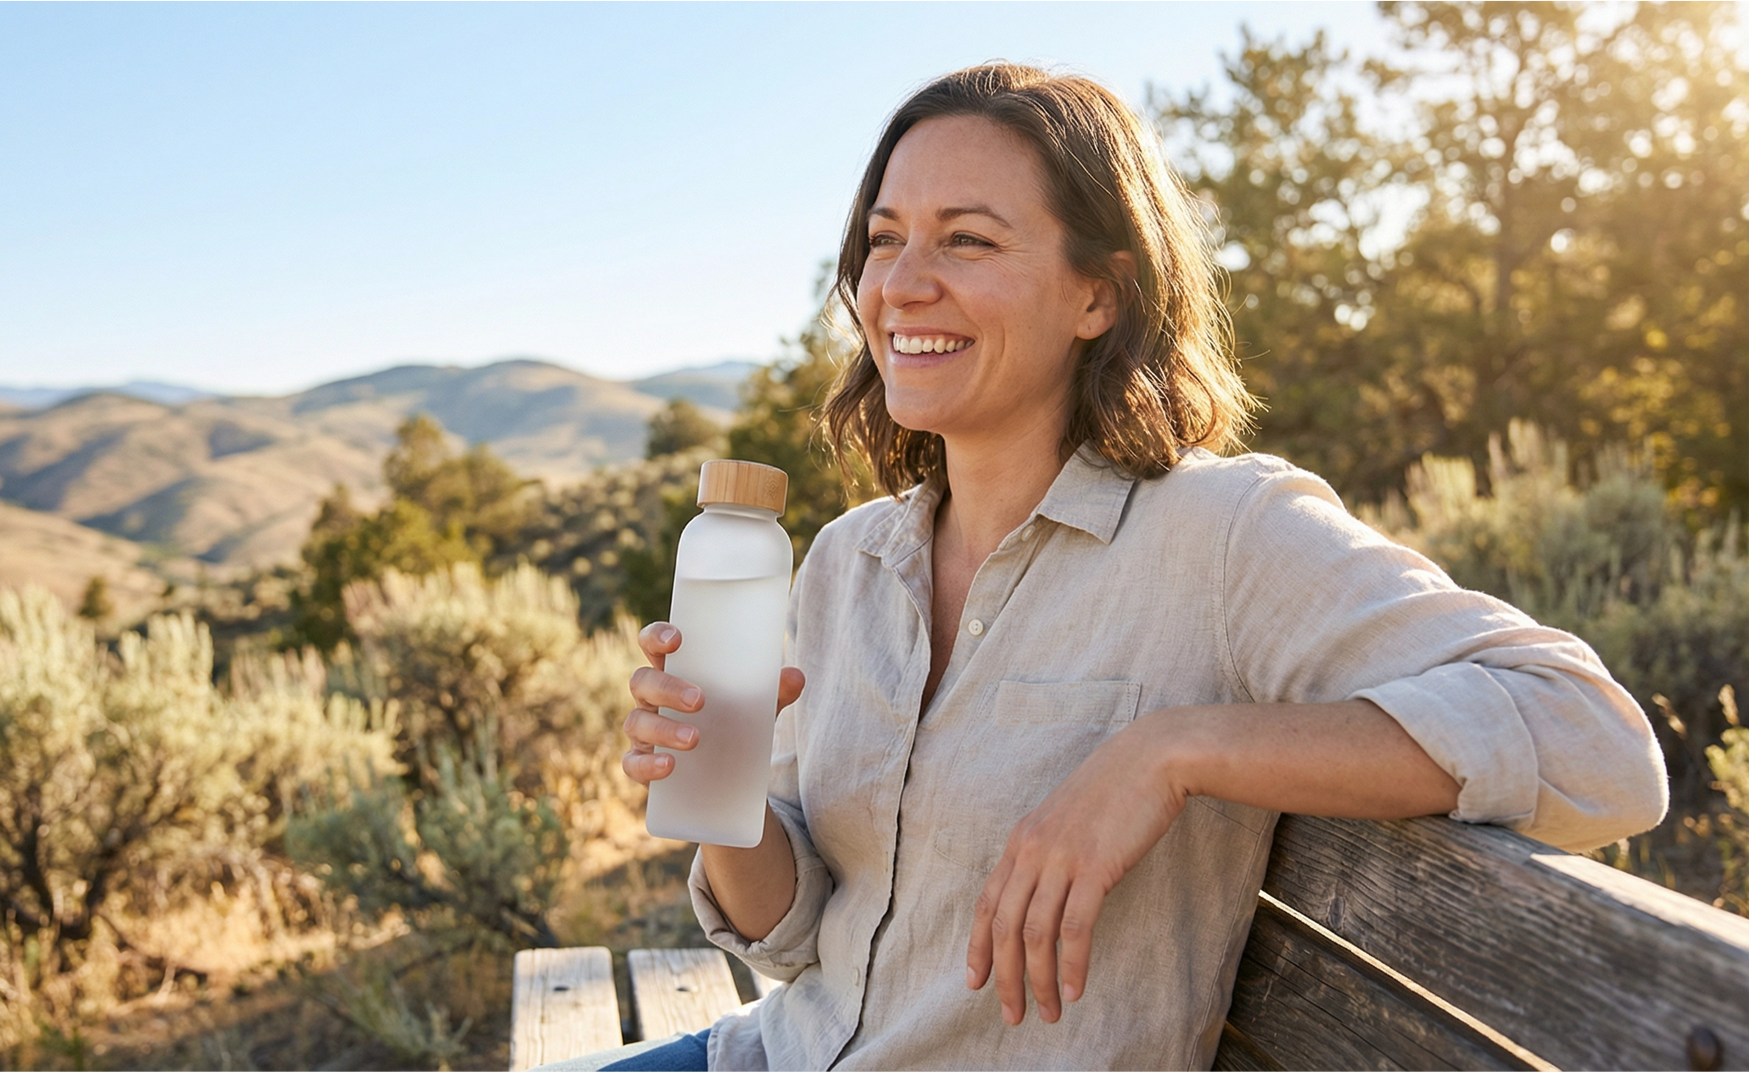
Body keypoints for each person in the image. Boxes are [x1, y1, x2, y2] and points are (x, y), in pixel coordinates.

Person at [577, 64, 1668, 1072]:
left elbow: (1599, 746)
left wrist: (1169, 751)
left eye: (967, 241)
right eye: (883, 238)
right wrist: (715, 794)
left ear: (1098, 295)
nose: (900, 286)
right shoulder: (847, 560)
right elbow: (798, 933)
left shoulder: (1225, 532)